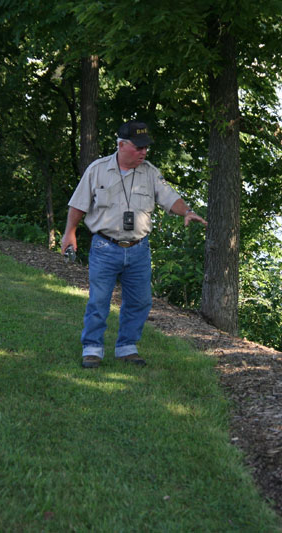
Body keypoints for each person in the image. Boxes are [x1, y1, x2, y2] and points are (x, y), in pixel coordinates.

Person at [61, 120, 207, 369]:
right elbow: (78, 205)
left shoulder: (150, 172)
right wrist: (69, 234)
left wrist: (186, 212)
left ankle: (127, 347)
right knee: (99, 301)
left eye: (145, 148)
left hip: (139, 250)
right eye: (138, 147)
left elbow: (169, 197)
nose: (143, 152)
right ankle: (92, 349)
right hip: (105, 247)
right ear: (121, 145)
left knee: (139, 301)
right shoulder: (97, 170)